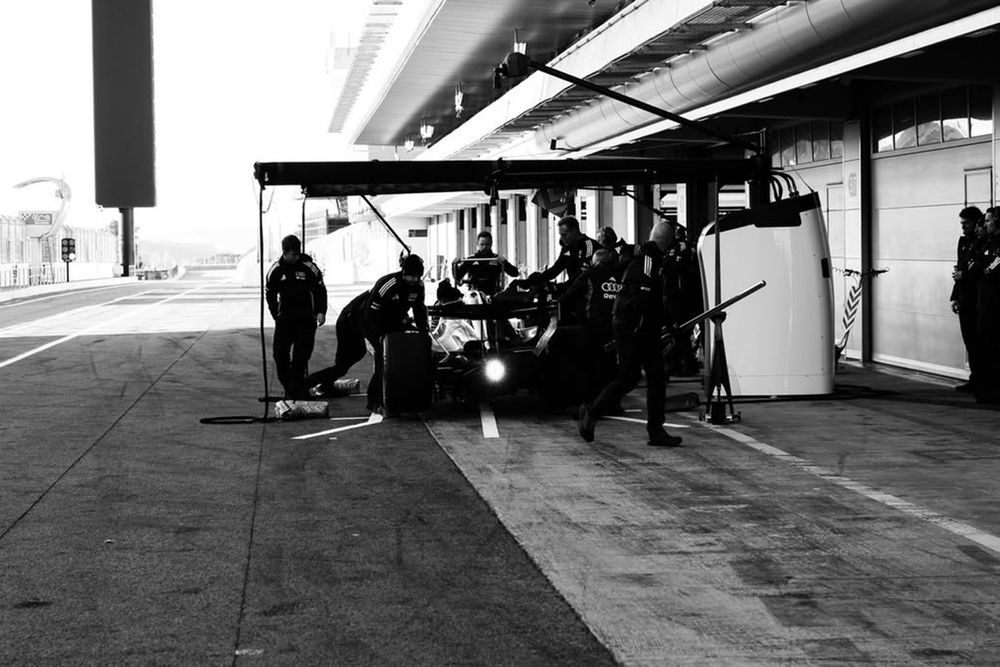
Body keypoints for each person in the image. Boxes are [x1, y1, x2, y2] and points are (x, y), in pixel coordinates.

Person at [578, 221, 683, 448]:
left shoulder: (649, 258)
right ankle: (594, 412)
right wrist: (660, 323)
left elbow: (650, 299)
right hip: (637, 329)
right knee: (636, 377)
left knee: (645, 377)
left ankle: (652, 430)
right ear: (668, 241)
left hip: (637, 327)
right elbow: (644, 298)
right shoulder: (649, 261)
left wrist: (666, 323)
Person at [362, 254, 430, 414]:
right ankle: (374, 401)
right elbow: (370, 313)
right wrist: (380, 336)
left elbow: (419, 310)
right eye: (412, 276)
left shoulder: (418, 287)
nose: (415, 279)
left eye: (418, 276)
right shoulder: (389, 284)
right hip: (373, 321)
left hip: (396, 321)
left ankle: (402, 396)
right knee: (383, 358)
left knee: (403, 356)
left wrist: (423, 333)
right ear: (404, 272)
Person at [265, 235, 327, 398]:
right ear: (285, 253)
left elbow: (320, 289)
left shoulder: (309, 266)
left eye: (298, 253)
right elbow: (270, 293)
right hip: (285, 319)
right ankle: (290, 388)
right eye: (293, 254)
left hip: (306, 319)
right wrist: (275, 314)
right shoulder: (276, 270)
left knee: (300, 357)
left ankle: (296, 390)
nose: (296, 257)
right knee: (280, 355)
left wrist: (321, 311)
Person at [558, 248, 621, 401]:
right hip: (616, 325)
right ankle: (613, 402)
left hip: (595, 325)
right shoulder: (620, 276)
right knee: (612, 365)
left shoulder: (589, 275)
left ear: (595, 262)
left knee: (591, 364)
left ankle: (592, 402)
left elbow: (568, 296)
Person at [304, 290, 369, 397]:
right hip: (348, 324)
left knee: (356, 354)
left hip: (352, 322)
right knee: (342, 364)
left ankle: (325, 384)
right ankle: (308, 383)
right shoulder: (384, 292)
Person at [950, 206, 984, 392]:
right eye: (961, 224)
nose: (963, 227)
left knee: (979, 342)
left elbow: (977, 271)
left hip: (977, 298)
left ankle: (983, 380)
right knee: (969, 341)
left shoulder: (982, 242)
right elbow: (959, 269)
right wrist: (955, 296)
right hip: (964, 296)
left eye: (966, 224)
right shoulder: (963, 242)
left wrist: (964, 275)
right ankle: (975, 378)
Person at [972, 207, 1000, 404]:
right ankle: (986, 387)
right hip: (985, 305)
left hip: (996, 306)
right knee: (985, 346)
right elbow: (975, 265)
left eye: (989, 221)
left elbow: (992, 269)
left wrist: (981, 269)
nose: (985, 224)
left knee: (995, 348)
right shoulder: (986, 243)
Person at [529, 215, 599, 286]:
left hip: (589, 291)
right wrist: (530, 281)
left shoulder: (588, 245)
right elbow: (555, 269)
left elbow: (582, 274)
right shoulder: (567, 248)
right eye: (561, 235)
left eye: (564, 235)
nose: (562, 239)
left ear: (574, 231)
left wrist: (561, 287)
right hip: (573, 288)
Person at [453, 230, 519, 296]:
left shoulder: (497, 259)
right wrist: (454, 265)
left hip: (494, 294)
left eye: (487, 244)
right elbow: (457, 276)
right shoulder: (471, 259)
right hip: (475, 296)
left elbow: (515, 273)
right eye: (482, 244)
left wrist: (505, 263)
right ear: (477, 244)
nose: (485, 247)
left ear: (491, 244)